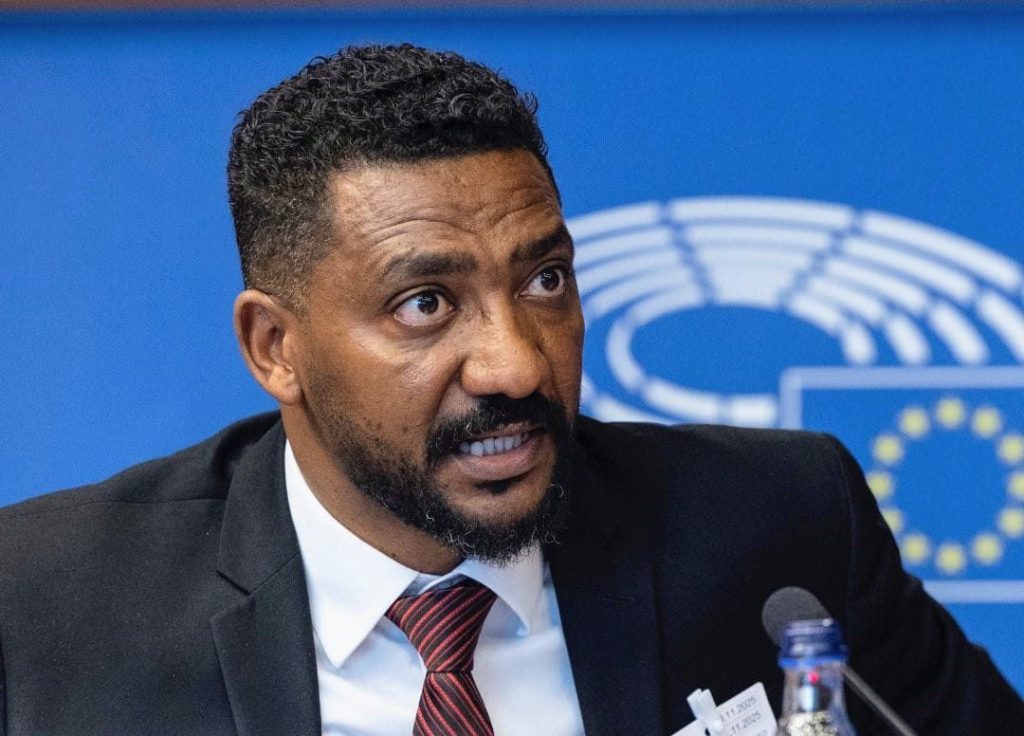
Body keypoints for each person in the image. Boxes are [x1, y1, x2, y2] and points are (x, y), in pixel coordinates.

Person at [0, 44, 1020, 736]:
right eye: (425, 304)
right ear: (276, 347)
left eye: (544, 282)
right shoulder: (46, 610)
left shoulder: (775, 530)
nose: (517, 365)